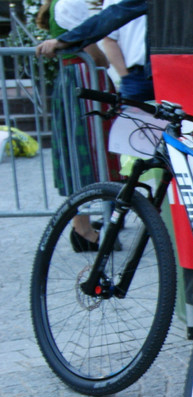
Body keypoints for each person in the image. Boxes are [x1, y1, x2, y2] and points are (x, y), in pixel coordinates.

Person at [36, 0, 119, 250]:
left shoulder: (60, 4)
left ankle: (85, 224)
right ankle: (82, 227)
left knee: (79, 149)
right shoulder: (70, 3)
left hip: (73, 78)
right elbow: (94, 53)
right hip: (83, 78)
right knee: (88, 150)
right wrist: (104, 62)